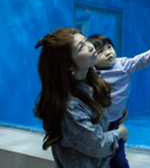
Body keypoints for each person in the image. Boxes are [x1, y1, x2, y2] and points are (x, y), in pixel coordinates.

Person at [34, 28, 129, 168]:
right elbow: (96, 144)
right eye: (81, 47)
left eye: (86, 41)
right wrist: (119, 133)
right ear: (67, 64)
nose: (90, 46)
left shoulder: (89, 83)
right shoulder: (70, 106)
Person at [87, 33, 150, 168]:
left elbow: (139, 61)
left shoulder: (122, 65)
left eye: (109, 47)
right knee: (97, 155)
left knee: (118, 159)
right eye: (101, 52)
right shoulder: (91, 72)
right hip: (97, 121)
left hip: (115, 121)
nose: (108, 53)